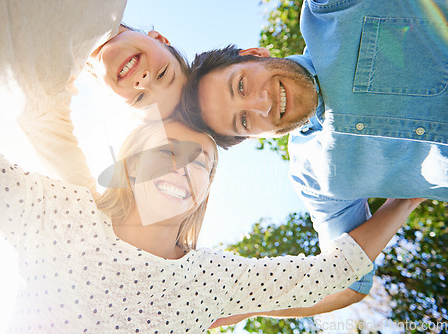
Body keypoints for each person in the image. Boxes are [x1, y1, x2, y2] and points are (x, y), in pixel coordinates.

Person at [0, 105, 424, 332]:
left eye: (202, 163)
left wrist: (406, 199)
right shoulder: (61, 214)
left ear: (205, 192)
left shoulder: (212, 278)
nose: (184, 167)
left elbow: (331, 274)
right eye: (167, 152)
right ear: (130, 163)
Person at [179, 0, 448, 317]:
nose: (262, 104)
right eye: (244, 121)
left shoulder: (331, 10)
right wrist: (220, 311)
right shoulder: (314, 177)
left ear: (255, 55)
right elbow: (345, 283)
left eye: (241, 85)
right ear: (253, 137)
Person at [0, 0, 188, 198]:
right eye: (163, 73)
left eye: (140, 98)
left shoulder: (44, 97)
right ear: (160, 39)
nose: (144, 81)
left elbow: (87, 207)